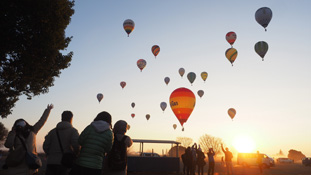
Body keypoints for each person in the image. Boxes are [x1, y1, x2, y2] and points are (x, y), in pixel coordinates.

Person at [3, 104, 54, 175]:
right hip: (18, 166)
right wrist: (13, 132)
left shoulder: (33, 131)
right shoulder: (14, 134)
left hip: (30, 166)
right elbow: (8, 145)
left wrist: (48, 110)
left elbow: (42, 121)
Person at [43, 110, 80, 175]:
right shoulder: (73, 131)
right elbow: (76, 145)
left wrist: (51, 154)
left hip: (51, 163)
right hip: (65, 163)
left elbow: (45, 146)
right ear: (71, 119)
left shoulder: (52, 132)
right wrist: (75, 154)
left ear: (61, 118)